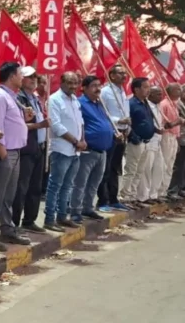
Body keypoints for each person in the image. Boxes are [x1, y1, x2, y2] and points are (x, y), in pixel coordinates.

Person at [0, 62, 31, 250]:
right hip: (3, 153)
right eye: (20, 74)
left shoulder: (12, 97)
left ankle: (7, 229)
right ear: (11, 76)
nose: (23, 78)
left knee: (8, 196)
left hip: (14, 152)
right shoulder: (0, 97)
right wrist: (2, 154)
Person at [69, 76, 113, 223]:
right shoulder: (79, 103)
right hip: (88, 150)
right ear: (84, 88)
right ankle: (75, 210)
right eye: (94, 86)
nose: (98, 89)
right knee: (80, 183)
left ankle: (88, 208)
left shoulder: (99, 103)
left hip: (102, 151)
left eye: (99, 85)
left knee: (94, 182)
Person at [45, 72, 84, 230]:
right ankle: (49, 219)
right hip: (61, 149)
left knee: (68, 186)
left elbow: (80, 122)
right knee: (55, 185)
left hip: (75, 151)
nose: (73, 86)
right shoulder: (54, 99)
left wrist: (82, 140)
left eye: (75, 83)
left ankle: (62, 216)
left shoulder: (75, 100)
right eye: (70, 82)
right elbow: (56, 125)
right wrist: (75, 141)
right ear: (61, 82)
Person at [13, 67, 48, 233]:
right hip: (26, 148)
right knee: (21, 188)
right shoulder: (18, 98)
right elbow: (18, 125)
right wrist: (39, 125)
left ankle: (29, 220)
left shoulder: (35, 98)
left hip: (38, 147)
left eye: (35, 76)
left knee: (35, 186)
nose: (34, 79)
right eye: (29, 77)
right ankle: (13, 223)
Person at [97, 64, 131, 212]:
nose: (124, 75)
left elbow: (126, 111)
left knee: (116, 168)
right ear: (112, 75)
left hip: (122, 133)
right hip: (111, 132)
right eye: (120, 73)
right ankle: (102, 200)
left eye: (125, 73)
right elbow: (102, 112)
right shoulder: (105, 92)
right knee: (106, 168)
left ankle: (113, 198)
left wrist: (127, 127)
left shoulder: (123, 91)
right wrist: (118, 121)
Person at [120, 77, 155, 206]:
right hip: (136, 142)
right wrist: (134, 137)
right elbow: (127, 122)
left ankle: (133, 195)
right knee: (131, 169)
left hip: (147, 141)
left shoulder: (145, 103)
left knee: (140, 170)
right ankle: (125, 196)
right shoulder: (131, 103)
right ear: (136, 89)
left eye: (149, 87)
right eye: (145, 87)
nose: (148, 90)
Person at [137, 86, 165, 204]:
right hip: (149, 141)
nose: (161, 96)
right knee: (146, 170)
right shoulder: (147, 106)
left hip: (158, 141)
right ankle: (143, 196)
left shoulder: (158, 107)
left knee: (160, 168)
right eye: (158, 94)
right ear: (151, 95)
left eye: (161, 94)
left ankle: (154, 194)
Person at [159, 83, 185, 200]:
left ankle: (165, 191)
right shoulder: (164, 104)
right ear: (169, 92)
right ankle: (159, 192)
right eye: (177, 90)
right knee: (163, 164)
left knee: (170, 165)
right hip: (166, 136)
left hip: (174, 137)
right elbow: (163, 124)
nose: (180, 92)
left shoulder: (175, 104)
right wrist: (177, 122)